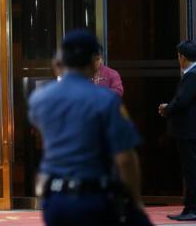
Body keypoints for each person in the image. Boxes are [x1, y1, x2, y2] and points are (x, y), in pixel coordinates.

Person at [28, 30, 152, 226]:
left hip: (54, 200)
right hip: (93, 197)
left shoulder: (39, 99)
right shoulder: (106, 100)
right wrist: (135, 201)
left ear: (60, 60)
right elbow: (125, 158)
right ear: (94, 61)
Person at [158, 40, 196, 221]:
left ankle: (192, 209)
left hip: (189, 131)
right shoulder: (190, 74)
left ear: (182, 57)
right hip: (189, 131)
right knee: (190, 170)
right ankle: (189, 207)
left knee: (191, 170)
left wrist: (167, 109)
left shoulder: (192, 75)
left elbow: (182, 101)